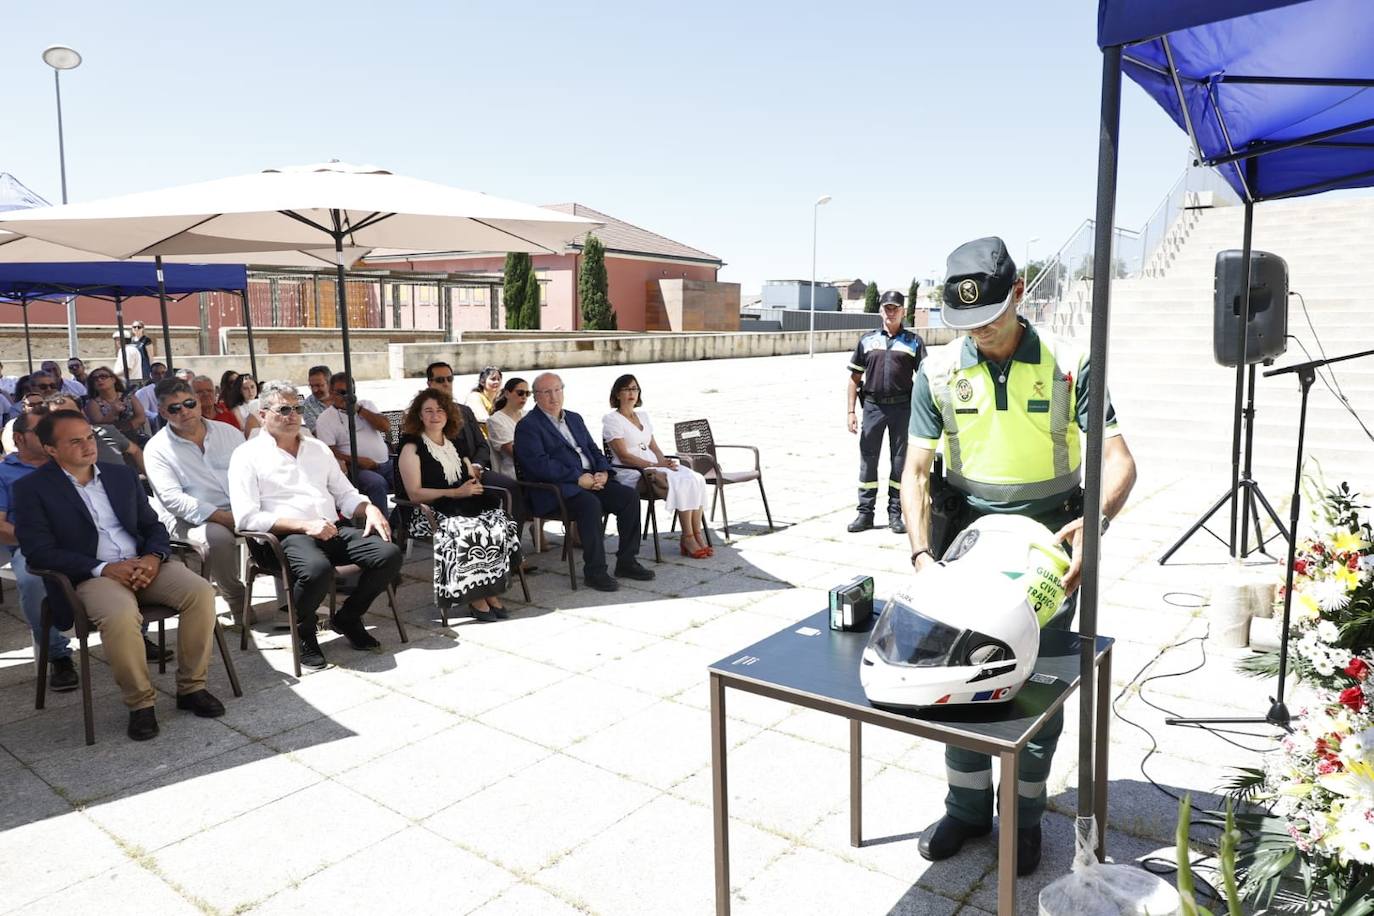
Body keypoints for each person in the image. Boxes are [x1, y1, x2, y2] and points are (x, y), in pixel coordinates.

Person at [900, 236, 1137, 876]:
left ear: (1020, 293)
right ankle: (968, 808)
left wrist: (1096, 524)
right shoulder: (938, 369)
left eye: (992, 318)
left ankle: (1025, 818)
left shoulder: (1071, 361)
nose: (980, 332)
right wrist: (923, 557)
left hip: (1050, 542)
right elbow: (917, 472)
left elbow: (1118, 463)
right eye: (966, 323)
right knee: (956, 677)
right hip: (967, 538)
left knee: (1037, 684)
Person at [13, 411, 224, 741]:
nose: (88, 446)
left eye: (90, 437)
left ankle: (191, 687)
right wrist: (103, 568)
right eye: (75, 441)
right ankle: (141, 703)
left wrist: (154, 557)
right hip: (91, 577)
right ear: (51, 449)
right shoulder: (32, 489)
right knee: (122, 614)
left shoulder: (120, 476)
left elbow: (152, 526)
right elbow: (38, 551)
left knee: (200, 592)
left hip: (144, 564)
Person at [228, 380, 403, 670]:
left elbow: (345, 494)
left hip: (329, 529)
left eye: (297, 407)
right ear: (262, 414)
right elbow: (246, 518)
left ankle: (347, 617)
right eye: (284, 409)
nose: (293, 415)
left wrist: (369, 508)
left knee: (388, 553)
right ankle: (305, 632)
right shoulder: (246, 455)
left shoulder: (317, 449)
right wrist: (303, 525)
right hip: (282, 536)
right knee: (316, 571)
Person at [514, 372, 654, 592]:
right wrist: (577, 479)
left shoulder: (574, 418)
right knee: (590, 505)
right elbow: (539, 465)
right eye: (547, 392)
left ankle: (627, 562)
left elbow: (593, 450)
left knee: (628, 497)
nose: (554, 397)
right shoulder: (528, 426)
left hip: (591, 480)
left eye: (558, 390)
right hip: (556, 489)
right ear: (536, 397)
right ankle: (595, 572)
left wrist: (604, 472)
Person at [397, 388, 519, 622]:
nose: (435, 415)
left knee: (497, 524)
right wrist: (456, 492)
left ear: (448, 414)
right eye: (428, 411)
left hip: (461, 504)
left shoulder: (454, 444)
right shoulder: (411, 447)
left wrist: (472, 484)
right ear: (419, 416)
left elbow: (467, 475)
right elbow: (414, 494)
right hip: (426, 512)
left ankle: (489, 589)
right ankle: (474, 596)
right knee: (466, 530)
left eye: (440, 410)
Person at [144, 378, 248, 616]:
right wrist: (222, 517)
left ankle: (290, 603)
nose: (184, 411)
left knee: (282, 523)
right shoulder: (157, 448)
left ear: (199, 403)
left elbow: (253, 474)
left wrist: (249, 509)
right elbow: (173, 499)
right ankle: (235, 597)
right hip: (187, 520)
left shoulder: (229, 433)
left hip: (239, 508)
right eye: (174, 408)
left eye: (189, 403)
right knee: (218, 537)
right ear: (162, 411)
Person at [0, 411, 77, 693]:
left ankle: (137, 634)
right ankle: (58, 655)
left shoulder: (66, 462)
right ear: (19, 438)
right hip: (30, 544)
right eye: (41, 431)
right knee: (33, 582)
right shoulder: (4, 473)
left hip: (81, 538)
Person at [602, 373, 711, 559]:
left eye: (635, 389)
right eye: (627, 389)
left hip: (654, 466)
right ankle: (688, 537)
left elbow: (654, 446)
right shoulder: (612, 420)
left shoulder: (643, 416)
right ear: (617, 394)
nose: (631, 393)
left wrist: (664, 464)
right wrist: (655, 464)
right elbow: (624, 456)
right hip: (633, 472)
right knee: (680, 482)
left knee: (695, 478)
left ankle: (696, 533)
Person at [846, 290, 925, 534]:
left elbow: (924, 380)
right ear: (881, 310)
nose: (891, 312)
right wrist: (850, 411)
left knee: (899, 463)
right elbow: (854, 379)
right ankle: (865, 514)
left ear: (903, 311)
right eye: (887, 308)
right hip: (873, 407)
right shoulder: (867, 341)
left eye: (896, 308)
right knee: (868, 462)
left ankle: (895, 514)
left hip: (902, 408)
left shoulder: (914, 342)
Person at [314, 372, 394, 513]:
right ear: (332, 394)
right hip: (357, 469)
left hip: (385, 463)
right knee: (377, 484)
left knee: (409, 479)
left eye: (351, 392)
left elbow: (385, 427)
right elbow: (329, 450)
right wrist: (357, 460)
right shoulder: (325, 419)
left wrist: (360, 410)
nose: (347, 396)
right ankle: (382, 529)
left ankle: (401, 523)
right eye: (342, 392)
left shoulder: (366, 405)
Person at [84, 367, 150, 446]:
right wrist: (113, 412)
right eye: (95, 379)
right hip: (109, 441)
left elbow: (141, 417)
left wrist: (126, 429)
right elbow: (99, 426)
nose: (99, 380)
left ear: (113, 380)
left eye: (103, 376)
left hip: (135, 436)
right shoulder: (93, 404)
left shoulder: (129, 397)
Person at [486, 376, 529, 479]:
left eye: (527, 394)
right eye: (520, 393)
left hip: (535, 467)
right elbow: (514, 452)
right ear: (507, 394)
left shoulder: (529, 416)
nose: (524, 397)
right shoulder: (495, 420)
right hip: (515, 474)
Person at [466, 366, 502, 437]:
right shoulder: (475, 397)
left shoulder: (497, 400)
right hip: (480, 441)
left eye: (499, 379)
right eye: (493, 379)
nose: (497, 382)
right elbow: (484, 419)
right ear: (482, 382)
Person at [134, 362, 168, 433]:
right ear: (151, 375)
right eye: (157, 373)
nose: (161, 376)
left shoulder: (173, 389)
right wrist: (159, 417)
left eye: (163, 373)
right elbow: (143, 411)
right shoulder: (144, 392)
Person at [301, 364, 332, 433]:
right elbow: (318, 433)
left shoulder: (343, 399)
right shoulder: (307, 406)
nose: (315, 390)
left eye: (318, 385)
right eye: (312, 386)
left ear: (330, 383)